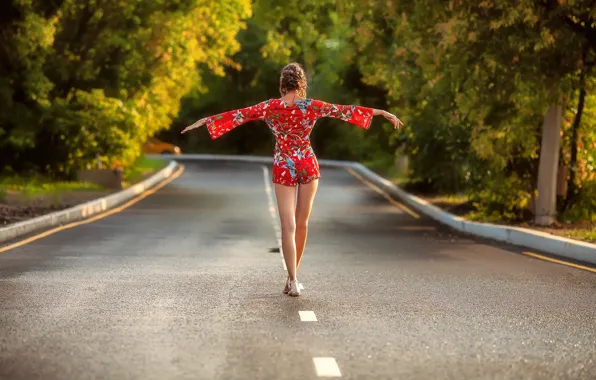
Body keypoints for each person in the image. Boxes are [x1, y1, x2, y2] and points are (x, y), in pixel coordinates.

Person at [181, 62, 403, 297]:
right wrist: (382, 112)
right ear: (302, 84)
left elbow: (238, 115)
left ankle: (293, 280)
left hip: (284, 165)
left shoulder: (270, 107)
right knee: (302, 223)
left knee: (288, 226)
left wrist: (206, 121)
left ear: (282, 85)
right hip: (307, 163)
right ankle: (292, 277)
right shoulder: (312, 106)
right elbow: (345, 110)